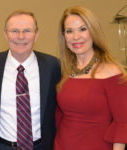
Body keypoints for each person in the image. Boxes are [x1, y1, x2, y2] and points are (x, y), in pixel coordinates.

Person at [0, 10, 61, 150]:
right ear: (5, 34)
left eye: (27, 31)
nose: (21, 37)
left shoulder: (53, 65)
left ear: (36, 35)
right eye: (14, 31)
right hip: (1, 146)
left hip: (41, 146)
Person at [54, 6, 127, 150]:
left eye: (82, 29)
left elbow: (123, 123)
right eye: (69, 31)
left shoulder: (113, 72)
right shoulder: (66, 72)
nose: (76, 36)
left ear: (93, 32)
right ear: (64, 36)